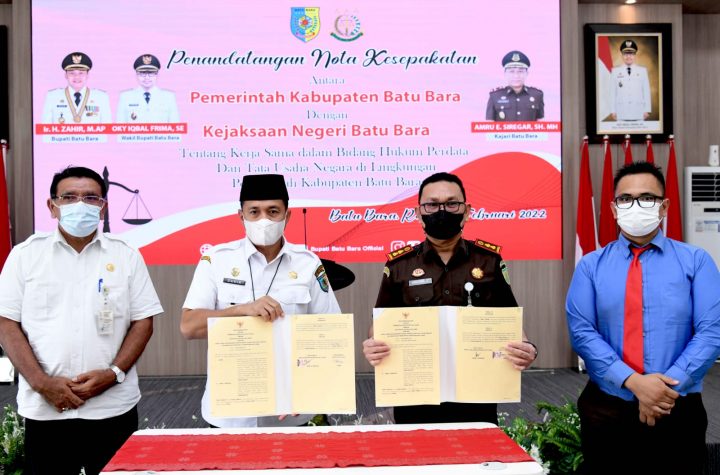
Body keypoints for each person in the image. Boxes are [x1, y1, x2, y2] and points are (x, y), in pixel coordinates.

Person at [0, 166, 163, 475]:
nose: (80, 204)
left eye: (90, 198)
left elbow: (143, 321)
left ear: (103, 207)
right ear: (52, 206)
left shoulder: (126, 255)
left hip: (112, 405)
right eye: (69, 197)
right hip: (47, 407)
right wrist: (42, 383)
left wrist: (113, 374)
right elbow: (6, 323)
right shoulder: (25, 256)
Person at [566, 161, 720, 475]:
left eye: (647, 198)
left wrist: (662, 390)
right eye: (626, 198)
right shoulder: (591, 266)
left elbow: (712, 331)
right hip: (608, 407)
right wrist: (634, 382)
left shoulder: (696, 261)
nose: (635, 206)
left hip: (676, 405)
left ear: (664, 206)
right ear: (614, 209)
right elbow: (582, 332)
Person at [362, 172, 538, 424]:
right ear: (418, 213)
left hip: (477, 389)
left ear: (467, 211)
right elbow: (380, 324)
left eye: (452, 203)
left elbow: (509, 320)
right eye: (432, 204)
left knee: (478, 447)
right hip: (416, 391)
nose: (442, 211)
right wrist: (373, 344)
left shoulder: (489, 261)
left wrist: (528, 349)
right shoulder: (399, 265)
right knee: (417, 448)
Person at [181, 173, 341, 428]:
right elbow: (189, 327)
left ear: (287, 216)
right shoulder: (216, 260)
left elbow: (331, 334)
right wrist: (242, 311)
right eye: (254, 212)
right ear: (241, 216)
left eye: (273, 211)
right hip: (231, 414)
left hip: (292, 410)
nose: (263, 220)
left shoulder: (308, 263)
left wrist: (310, 388)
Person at [41, 52, 112, 124]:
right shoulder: (52, 97)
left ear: (87, 75)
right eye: (72, 73)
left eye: (81, 73)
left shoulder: (101, 97)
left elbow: (107, 127)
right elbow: (45, 128)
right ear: (66, 75)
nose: (77, 77)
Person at [116, 54, 180, 123]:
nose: (147, 77)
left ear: (157, 74)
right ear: (136, 74)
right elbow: (120, 126)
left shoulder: (169, 97)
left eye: (151, 73)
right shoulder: (125, 97)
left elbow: (175, 126)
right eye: (142, 73)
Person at [486, 50, 544, 121]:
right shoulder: (495, 96)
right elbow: (489, 124)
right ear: (505, 73)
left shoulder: (537, 95)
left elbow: (541, 124)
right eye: (511, 71)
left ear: (527, 73)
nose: (516, 76)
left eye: (520, 71)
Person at [609, 40, 652, 121]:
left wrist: (647, 110)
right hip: (621, 111)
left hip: (639, 111)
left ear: (635, 55)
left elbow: (646, 91)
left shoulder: (642, 71)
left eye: (631, 54)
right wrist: (613, 110)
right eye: (626, 54)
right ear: (622, 55)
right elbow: (612, 92)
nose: (628, 57)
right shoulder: (615, 71)